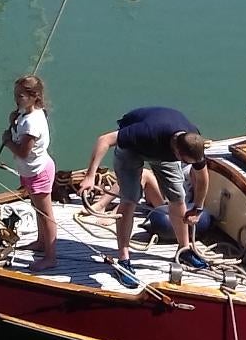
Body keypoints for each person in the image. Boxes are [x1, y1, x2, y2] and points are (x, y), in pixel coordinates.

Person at [79, 107, 210, 288]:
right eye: (185, 161)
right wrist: (90, 175)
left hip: (164, 151)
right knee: (129, 199)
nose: (187, 165)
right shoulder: (146, 132)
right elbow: (104, 140)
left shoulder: (193, 140)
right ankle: (123, 260)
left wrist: (198, 207)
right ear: (178, 151)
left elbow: (202, 177)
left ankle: (184, 249)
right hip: (133, 148)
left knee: (178, 197)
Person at [3, 75, 58, 271]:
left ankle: (51, 257)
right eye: (15, 95)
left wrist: (7, 141)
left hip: (38, 172)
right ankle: (41, 242)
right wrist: (14, 122)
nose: (17, 99)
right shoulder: (28, 115)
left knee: (45, 215)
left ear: (35, 96)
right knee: (37, 209)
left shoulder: (31, 123)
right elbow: (22, 133)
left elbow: (23, 152)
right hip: (30, 171)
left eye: (21, 96)